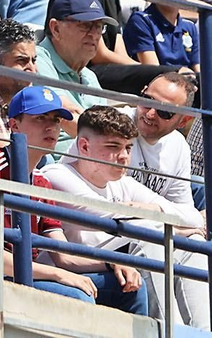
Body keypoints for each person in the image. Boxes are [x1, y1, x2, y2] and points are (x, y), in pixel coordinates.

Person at [0, 86, 141, 307]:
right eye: (40, 118)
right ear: (14, 124)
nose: (51, 126)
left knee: (129, 287)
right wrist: (57, 275)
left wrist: (111, 263)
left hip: (20, 275)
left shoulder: (41, 183)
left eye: (57, 120)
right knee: (78, 297)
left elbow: (64, 256)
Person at [43, 106, 202, 324]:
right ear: (84, 146)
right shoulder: (57, 175)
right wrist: (170, 226)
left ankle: (202, 332)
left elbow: (192, 218)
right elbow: (109, 218)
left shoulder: (123, 183)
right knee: (149, 237)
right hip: (78, 267)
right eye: (113, 147)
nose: (124, 157)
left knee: (193, 243)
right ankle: (169, 330)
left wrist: (154, 210)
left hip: (114, 262)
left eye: (128, 148)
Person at [34, 0, 109, 126]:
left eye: (99, 27)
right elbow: (68, 117)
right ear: (56, 29)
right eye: (85, 25)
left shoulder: (89, 76)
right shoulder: (36, 60)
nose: (94, 34)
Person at [132, 69, 199, 211]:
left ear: (184, 120)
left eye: (165, 112)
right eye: (147, 101)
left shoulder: (179, 146)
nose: (150, 114)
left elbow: (184, 209)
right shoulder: (113, 126)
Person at [125, 0, 198, 71]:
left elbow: (199, 72)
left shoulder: (190, 27)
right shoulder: (141, 21)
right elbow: (152, 70)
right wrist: (180, 72)